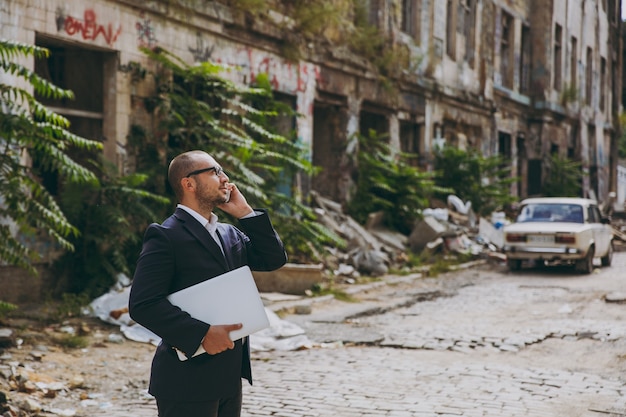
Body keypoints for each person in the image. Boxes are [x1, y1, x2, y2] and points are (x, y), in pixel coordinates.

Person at [129, 150, 287, 417]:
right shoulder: (165, 235)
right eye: (215, 172)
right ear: (188, 183)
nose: (225, 179)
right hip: (185, 381)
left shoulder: (229, 232)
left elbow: (273, 259)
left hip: (229, 378)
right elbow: (143, 304)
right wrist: (201, 334)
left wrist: (246, 213)